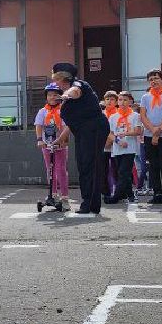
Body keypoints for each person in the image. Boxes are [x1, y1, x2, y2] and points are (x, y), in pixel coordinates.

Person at [52, 62, 109, 214]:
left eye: (56, 79)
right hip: (82, 132)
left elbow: (75, 91)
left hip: (95, 129)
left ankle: (91, 204)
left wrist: (66, 95)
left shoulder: (78, 85)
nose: (55, 83)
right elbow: (74, 121)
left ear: (64, 78)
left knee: (92, 165)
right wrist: (61, 138)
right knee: (83, 164)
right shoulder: (67, 95)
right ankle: (87, 202)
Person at [138, 68, 162, 205]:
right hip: (149, 136)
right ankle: (157, 193)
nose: (153, 81)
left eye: (156, 78)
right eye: (151, 79)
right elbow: (143, 116)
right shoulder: (145, 97)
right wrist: (152, 130)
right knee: (153, 166)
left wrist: (159, 130)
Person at [34, 82, 71, 208]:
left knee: (60, 169)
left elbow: (67, 127)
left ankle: (65, 197)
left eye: (55, 95)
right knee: (50, 169)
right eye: (49, 95)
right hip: (47, 145)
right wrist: (40, 140)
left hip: (60, 144)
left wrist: (60, 140)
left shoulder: (63, 111)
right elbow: (39, 126)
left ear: (60, 96)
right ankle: (53, 194)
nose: (52, 97)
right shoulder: (42, 111)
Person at [104, 90, 141, 205]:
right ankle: (130, 194)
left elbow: (138, 131)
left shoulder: (135, 116)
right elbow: (109, 133)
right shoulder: (113, 117)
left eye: (125, 100)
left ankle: (116, 196)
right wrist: (117, 141)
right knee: (124, 173)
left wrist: (126, 134)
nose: (122, 102)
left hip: (130, 148)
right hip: (117, 149)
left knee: (123, 172)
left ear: (130, 101)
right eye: (120, 100)